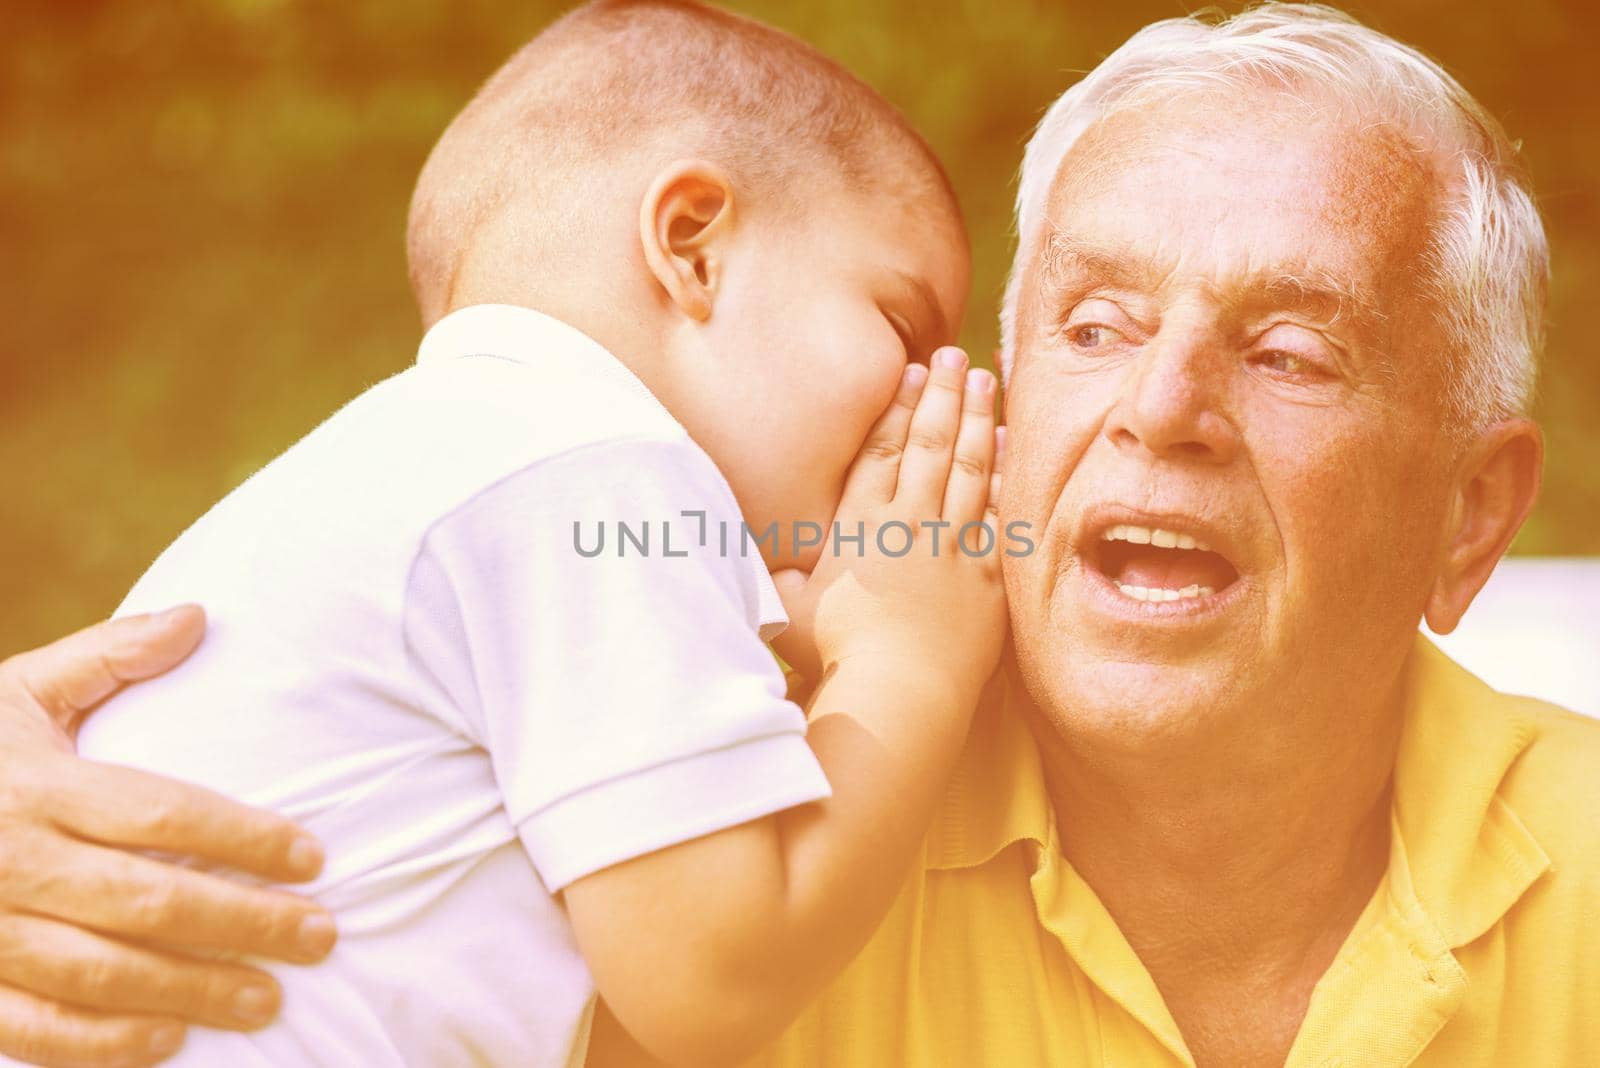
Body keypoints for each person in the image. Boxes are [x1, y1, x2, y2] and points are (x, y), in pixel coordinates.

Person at [4, 4, 1599, 1068]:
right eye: (1098, 326)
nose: (1162, 409)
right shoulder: (730, 751)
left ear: (1471, 516)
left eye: (1293, 354)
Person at [4, 1, 1003, 1066]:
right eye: (902, 329)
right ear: (691, 247)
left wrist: (782, 645)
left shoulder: (443, 464)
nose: (919, 399)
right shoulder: (599, 466)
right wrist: (909, 655)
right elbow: (715, 980)